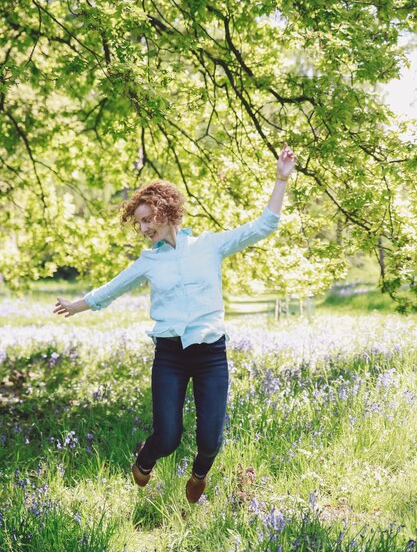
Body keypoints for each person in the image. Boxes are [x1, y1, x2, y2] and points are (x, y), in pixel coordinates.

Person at [53, 142, 297, 503]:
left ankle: (199, 475)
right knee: (167, 436)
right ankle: (146, 458)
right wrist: (76, 305)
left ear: (165, 210)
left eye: (147, 218)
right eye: (138, 223)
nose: (144, 228)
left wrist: (280, 179)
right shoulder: (149, 261)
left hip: (211, 354)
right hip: (169, 354)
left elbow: (263, 226)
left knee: (210, 440)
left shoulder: (210, 245)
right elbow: (112, 288)